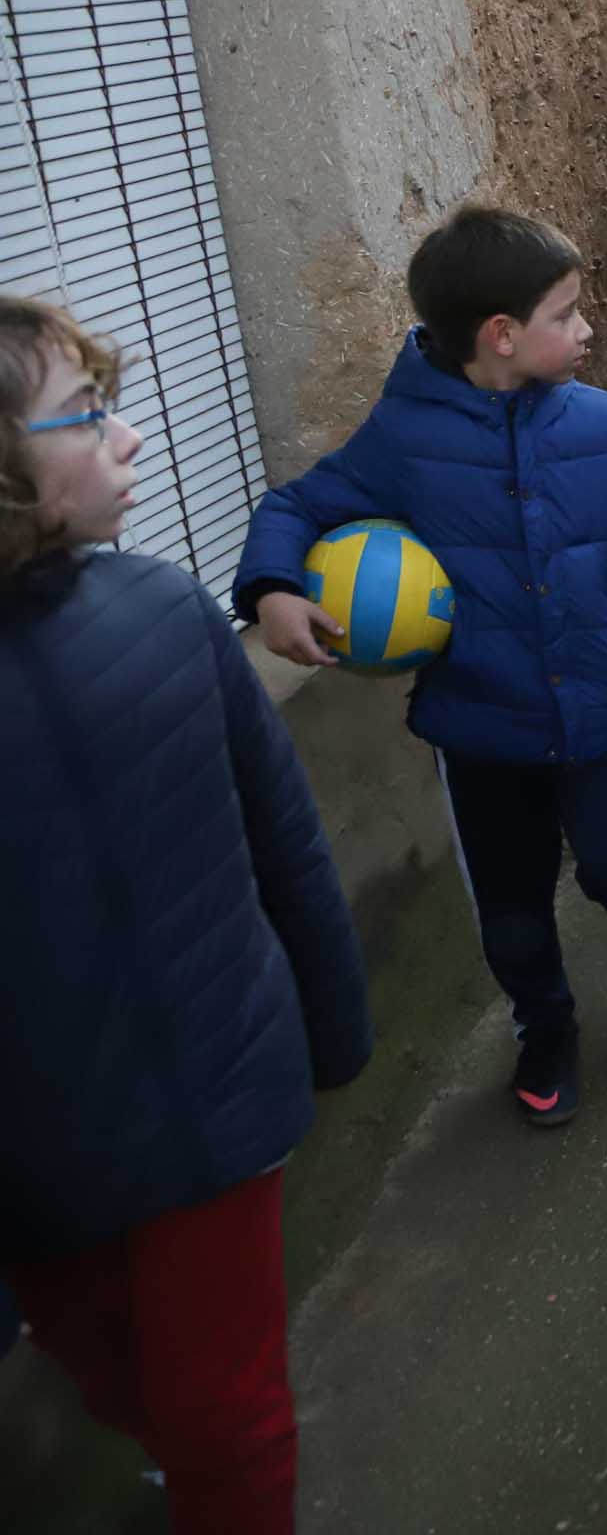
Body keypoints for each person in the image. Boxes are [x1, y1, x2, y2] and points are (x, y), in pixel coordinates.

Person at [2, 298, 370, 1535]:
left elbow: (285, 835)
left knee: (231, 1414)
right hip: (41, 1144)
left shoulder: (163, 607)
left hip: (217, 1101)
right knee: (93, 1351)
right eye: (88, 415)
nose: (133, 438)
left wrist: (332, 1024)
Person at [234, 206, 607, 1123]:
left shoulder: (605, 425)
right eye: (568, 313)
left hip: (599, 708)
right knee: (513, 908)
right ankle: (546, 1027)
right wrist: (273, 588)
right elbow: (295, 505)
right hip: (481, 728)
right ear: (502, 335)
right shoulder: (404, 440)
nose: (587, 327)